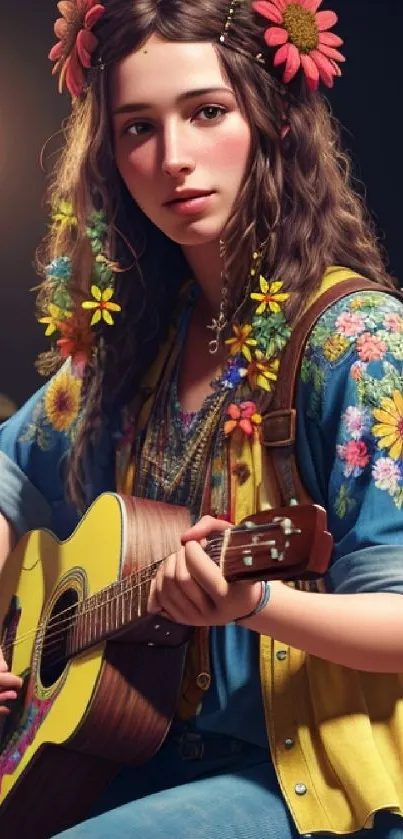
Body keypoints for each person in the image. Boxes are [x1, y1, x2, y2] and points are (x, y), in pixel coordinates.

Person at [1, 0, 403, 836]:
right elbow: (7, 476)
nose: (172, 158)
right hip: (132, 753)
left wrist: (256, 605)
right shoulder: (133, 349)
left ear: (275, 117)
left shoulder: (359, 343)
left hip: (300, 775)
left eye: (206, 111)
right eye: (136, 127)